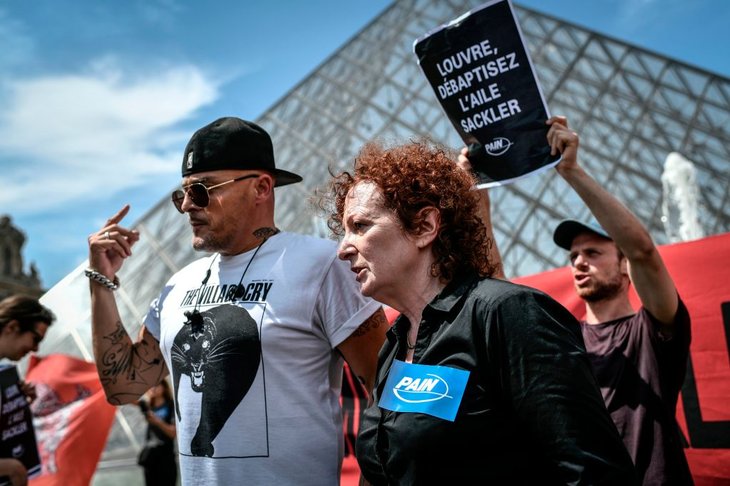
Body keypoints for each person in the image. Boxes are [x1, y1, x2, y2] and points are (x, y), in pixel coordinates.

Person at [86, 117, 388, 485]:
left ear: (261, 187)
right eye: (181, 195)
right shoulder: (177, 285)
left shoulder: (325, 266)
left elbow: (385, 389)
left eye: (203, 190)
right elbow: (123, 386)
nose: (187, 207)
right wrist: (101, 283)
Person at [325, 140, 636, 485]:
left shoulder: (509, 314)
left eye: (361, 226)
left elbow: (593, 471)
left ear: (425, 226)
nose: (342, 249)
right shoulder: (394, 345)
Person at [546, 116, 693, 485]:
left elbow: (643, 250)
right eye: (573, 256)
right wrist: (479, 196)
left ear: (624, 265)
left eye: (593, 252)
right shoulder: (563, 340)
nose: (579, 261)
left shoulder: (651, 331)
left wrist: (572, 171)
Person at [0, 295, 55, 486]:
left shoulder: (5, 379)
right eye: (35, 338)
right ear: (12, 327)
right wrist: (11, 468)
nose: (35, 348)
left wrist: (14, 405)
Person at [137, 380, 177, 486]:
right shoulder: (148, 406)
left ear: (164, 387)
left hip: (166, 459)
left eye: (157, 385)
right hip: (150, 459)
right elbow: (128, 399)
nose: (153, 388)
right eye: (150, 386)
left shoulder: (172, 405)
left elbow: (173, 433)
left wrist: (157, 421)